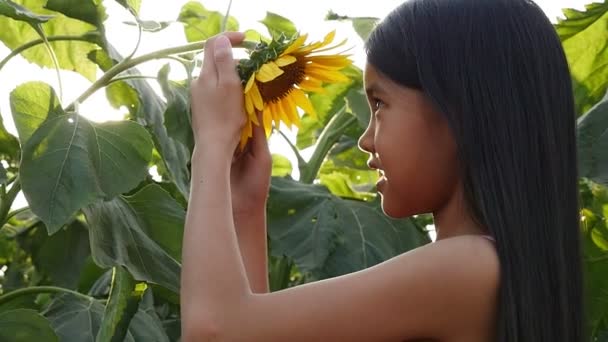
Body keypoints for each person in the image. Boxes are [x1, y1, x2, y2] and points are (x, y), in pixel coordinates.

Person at [181, 0, 584, 341]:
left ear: (458, 111)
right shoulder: (491, 270)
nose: (367, 139)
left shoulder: (466, 267)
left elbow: (214, 330)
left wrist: (212, 144)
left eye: (379, 104)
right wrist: (246, 208)